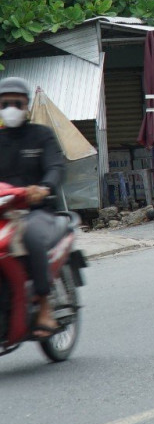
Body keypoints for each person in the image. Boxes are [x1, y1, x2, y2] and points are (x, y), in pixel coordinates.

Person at [0, 76, 65, 339]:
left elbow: (55, 166)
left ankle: (45, 305)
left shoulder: (42, 135)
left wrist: (45, 187)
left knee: (31, 237)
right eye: (5, 103)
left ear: (26, 105)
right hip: (4, 212)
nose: (11, 108)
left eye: (17, 103)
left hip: (38, 211)